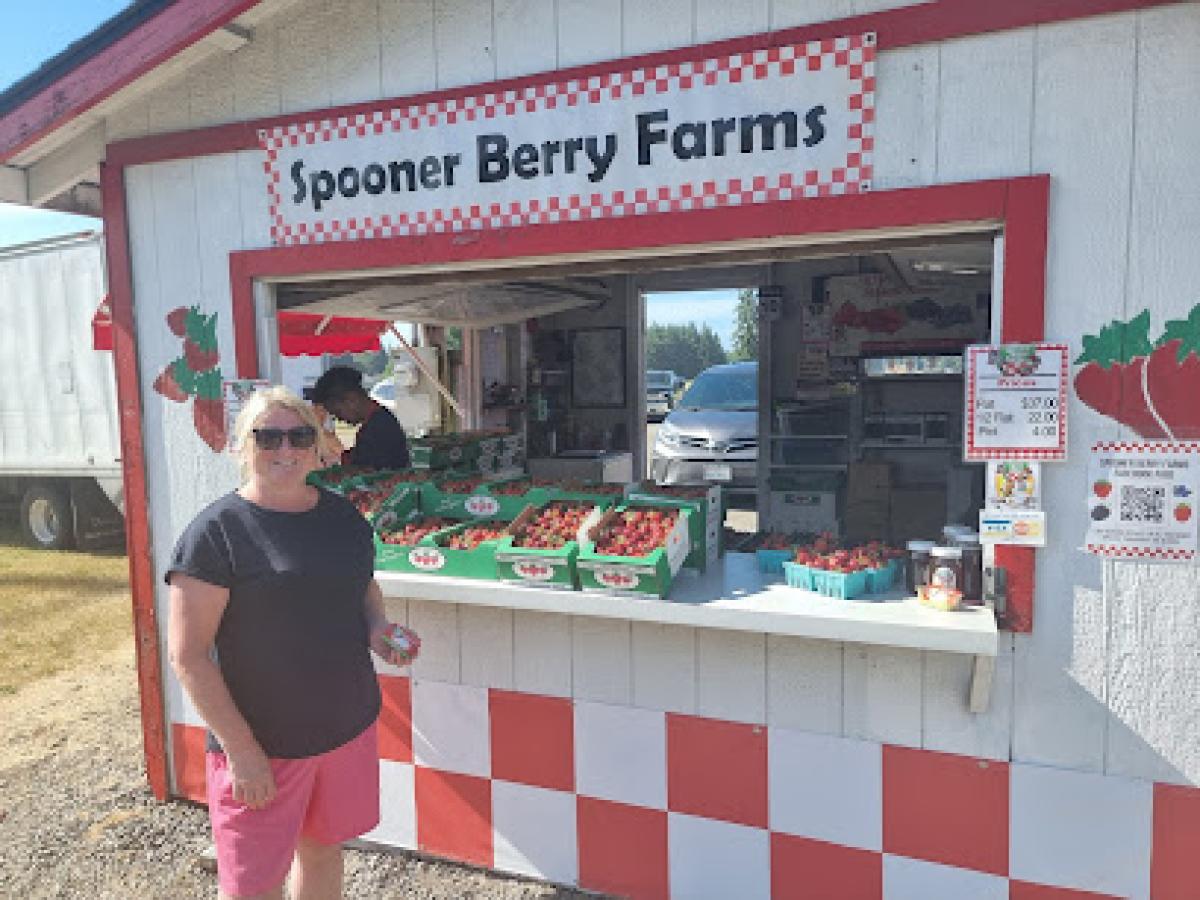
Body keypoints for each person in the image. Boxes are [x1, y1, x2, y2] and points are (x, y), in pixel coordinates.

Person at [166, 386, 421, 900]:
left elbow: (362, 586)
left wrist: (378, 629)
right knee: (252, 886)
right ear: (243, 446)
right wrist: (242, 752)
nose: (286, 449)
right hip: (264, 745)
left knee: (324, 851)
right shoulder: (216, 533)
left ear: (319, 443)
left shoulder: (340, 515)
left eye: (299, 436)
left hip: (343, 729)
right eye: (268, 437)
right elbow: (188, 655)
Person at [310, 366, 410, 469]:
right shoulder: (377, 421)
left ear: (351, 400)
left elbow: (366, 472)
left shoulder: (378, 428)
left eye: (337, 412)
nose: (339, 419)